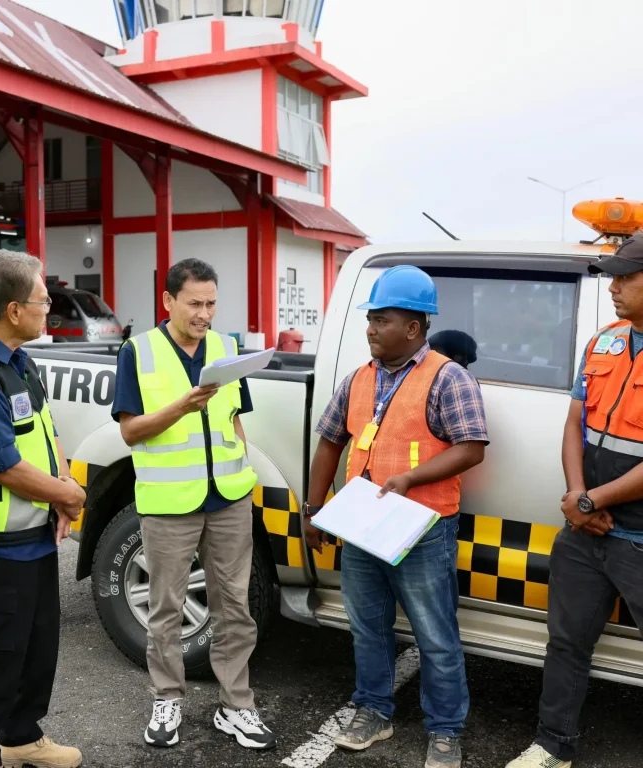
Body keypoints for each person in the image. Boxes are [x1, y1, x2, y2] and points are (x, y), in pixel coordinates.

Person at [303, 265, 488, 768]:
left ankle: (446, 731)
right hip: (362, 525)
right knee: (367, 626)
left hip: (423, 528)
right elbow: (330, 442)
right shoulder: (359, 379)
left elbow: (471, 448)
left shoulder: (449, 378)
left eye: (381, 320)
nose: (370, 328)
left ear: (413, 327)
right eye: (369, 318)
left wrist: (411, 479)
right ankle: (373, 711)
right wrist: (313, 507)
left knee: (435, 635)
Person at [113, 258, 275, 751]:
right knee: (167, 609)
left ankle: (236, 707)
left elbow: (235, 418)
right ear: (168, 301)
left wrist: (241, 471)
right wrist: (182, 406)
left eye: (211, 303)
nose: (205, 313)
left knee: (235, 605)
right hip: (168, 502)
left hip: (228, 498)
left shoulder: (226, 349)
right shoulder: (137, 352)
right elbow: (130, 431)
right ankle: (167, 700)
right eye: (194, 303)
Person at [506, 236, 643, 768]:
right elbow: (574, 423)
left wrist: (589, 500)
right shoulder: (604, 342)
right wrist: (577, 498)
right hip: (586, 531)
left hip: (635, 536)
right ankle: (551, 745)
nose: (613, 288)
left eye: (625, 277)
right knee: (565, 643)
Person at [0, 251, 84, 768]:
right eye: (42, 298)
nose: (49, 305)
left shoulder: (20, 360)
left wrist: (62, 487)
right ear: (13, 310)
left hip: (34, 537)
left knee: (36, 651)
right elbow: (1, 462)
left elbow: (41, 440)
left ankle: (22, 737)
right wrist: (66, 495)